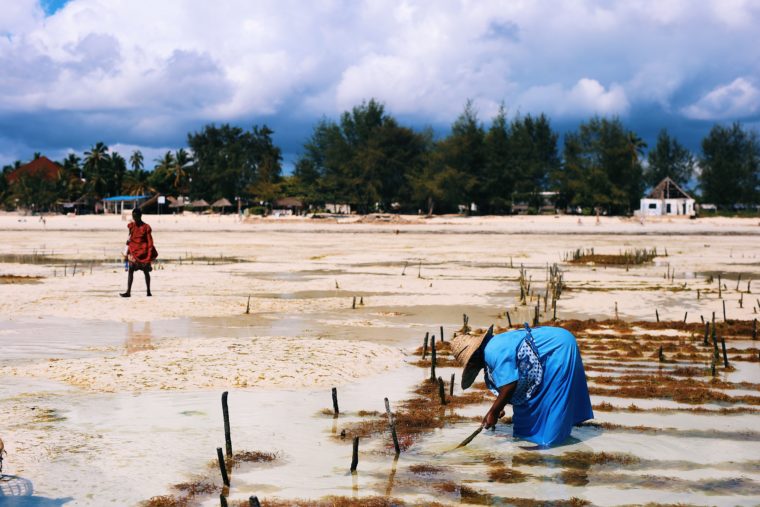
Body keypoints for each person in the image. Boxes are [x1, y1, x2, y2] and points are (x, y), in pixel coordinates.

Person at [451, 323, 593, 447]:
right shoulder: (494, 346)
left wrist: (494, 412)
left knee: (552, 402)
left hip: (558, 349)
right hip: (554, 347)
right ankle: (542, 439)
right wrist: (499, 406)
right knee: (530, 418)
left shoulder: (492, 351)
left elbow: (510, 385)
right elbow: (511, 378)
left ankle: (551, 445)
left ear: (474, 357)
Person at [120, 208, 157, 297]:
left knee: (146, 272)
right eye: (133, 217)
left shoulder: (146, 227)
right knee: (131, 270)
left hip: (143, 253)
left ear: (140, 216)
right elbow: (130, 236)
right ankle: (128, 292)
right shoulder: (131, 226)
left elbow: (150, 242)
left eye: (136, 217)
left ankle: (148, 291)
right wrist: (128, 245)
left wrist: (149, 256)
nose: (135, 218)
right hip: (133, 251)